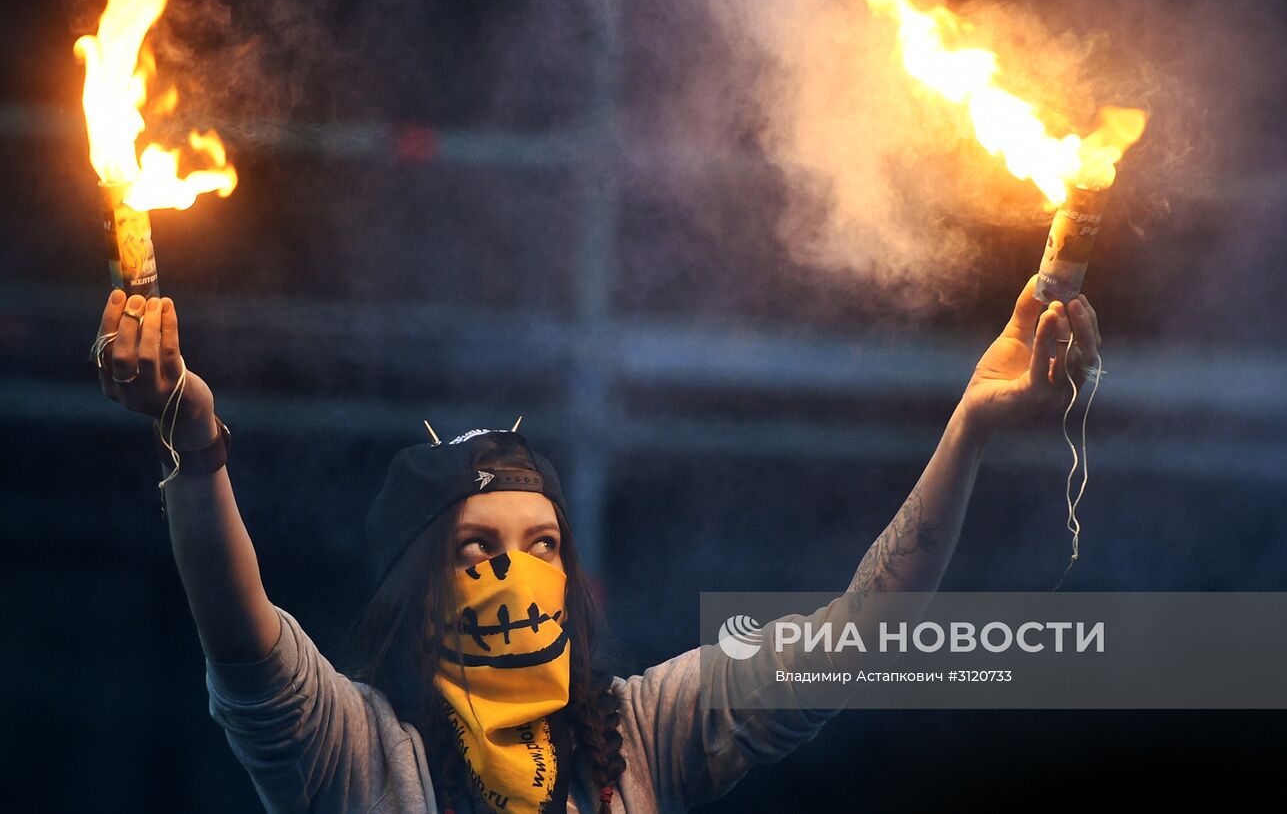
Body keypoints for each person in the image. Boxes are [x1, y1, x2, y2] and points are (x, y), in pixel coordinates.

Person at [91, 277, 1100, 814]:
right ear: (423, 601)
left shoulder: (644, 732)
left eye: (542, 545)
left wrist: (968, 426)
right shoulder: (356, 755)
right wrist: (193, 441)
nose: (522, 576)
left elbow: (853, 641)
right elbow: (243, 641)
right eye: (480, 551)